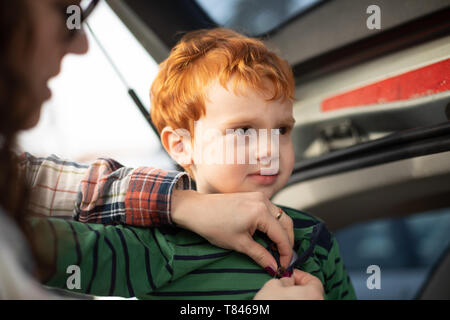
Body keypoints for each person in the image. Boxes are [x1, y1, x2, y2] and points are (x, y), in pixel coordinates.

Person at [0, 0, 323, 299]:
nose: (269, 149)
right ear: (180, 145)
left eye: (281, 129)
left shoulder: (316, 239)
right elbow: (34, 239)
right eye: (242, 131)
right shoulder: (148, 247)